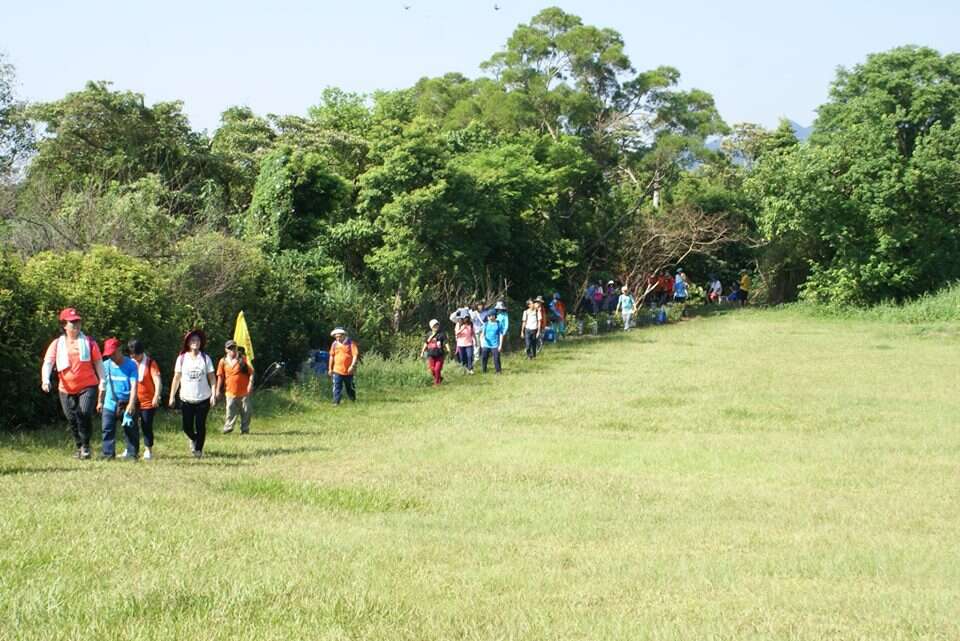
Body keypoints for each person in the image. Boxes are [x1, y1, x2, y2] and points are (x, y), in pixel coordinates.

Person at [41, 308, 106, 459]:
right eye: (72, 322)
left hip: (87, 385)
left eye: (78, 321)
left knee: (83, 413)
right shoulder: (57, 344)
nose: (76, 325)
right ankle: (79, 446)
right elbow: (48, 363)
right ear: (64, 325)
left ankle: (86, 446)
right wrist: (45, 379)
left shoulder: (89, 342)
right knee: (71, 418)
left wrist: (103, 380)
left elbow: (98, 363)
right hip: (65, 388)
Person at [168, 329, 217, 459]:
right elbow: (176, 378)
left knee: (200, 425)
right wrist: (172, 396)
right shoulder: (182, 359)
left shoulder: (205, 358)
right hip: (186, 398)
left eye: (198, 340)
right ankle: (194, 439)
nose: (196, 343)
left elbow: (212, 378)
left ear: (201, 343)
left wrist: (213, 394)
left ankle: (198, 450)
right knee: (186, 427)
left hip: (203, 398)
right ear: (188, 343)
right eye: (193, 340)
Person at [98, 337, 139, 460]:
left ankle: (132, 454)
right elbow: (102, 384)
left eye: (113, 353)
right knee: (107, 429)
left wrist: (131, 404)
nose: (111, 357)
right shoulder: (105, 365)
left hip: (126, 403)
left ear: (120, 350)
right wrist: (100, 401)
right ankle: (108, 454)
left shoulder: (131, 365)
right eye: (109, 354)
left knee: (130, 430)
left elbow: (134, 386)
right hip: (109, 403)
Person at [129, 338, 161, 460]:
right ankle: (131, 448)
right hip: (132, 401)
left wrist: (156, 395)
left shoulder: (150, 363)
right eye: (132, 354)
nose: (134, 357)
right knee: (130, 425)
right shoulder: (130, 363)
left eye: (136, 354)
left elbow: (157, 380)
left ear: (142, 352)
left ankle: (148, 449)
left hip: (148, 402)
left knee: (146, 425)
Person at [217, 339, 254, 434]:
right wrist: (217, 390)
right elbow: (220, 376)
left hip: (244, 392)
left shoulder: (243, 359)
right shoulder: (223, 361)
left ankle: (245, 429)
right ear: (226, 350)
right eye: (230, 348)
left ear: (237, 348)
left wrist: (250, 384)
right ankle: (228, 428)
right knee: (230, 412)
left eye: (234, 348)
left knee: (246, 412)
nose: (232, 350)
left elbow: (251, 373)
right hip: (230, 392)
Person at [328, 328, 359, 404]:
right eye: (336, 337)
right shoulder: (334, 344)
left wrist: (352, 366)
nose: (338, 338)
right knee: (337, 387)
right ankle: (336, 402)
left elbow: (355, 355)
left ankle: (353, 401)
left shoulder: (351, 343)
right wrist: (330, 368)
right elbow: (331, 356)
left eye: (339, 336)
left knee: (350, 387)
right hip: (337, 370)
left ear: (344, 335)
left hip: (349, 371)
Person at [419, 319, 450, 385]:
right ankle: (439, 378)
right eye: (434, 326)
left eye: (437, 325)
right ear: (431, 327)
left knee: (437, 369)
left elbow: (446, 342)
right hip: (431, 355)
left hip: (439, 355)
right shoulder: (428, 334)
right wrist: (422, 352)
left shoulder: (442, 334)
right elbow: (426, 343)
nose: (436, 327)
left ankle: (437, 383)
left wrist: (448, 349)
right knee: (432, 370)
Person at [480, 309, 505, 374]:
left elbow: (501, 335)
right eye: (489, 316)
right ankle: (484, 370)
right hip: (486, 344)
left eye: (491, 315)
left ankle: (498, 371)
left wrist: (500, 345)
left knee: (496, 358)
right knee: (484, 358)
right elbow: (482, 334)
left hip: (495, 345)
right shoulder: (486, 324)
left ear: (495, 316)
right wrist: (482, 343)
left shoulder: (498, 324)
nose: (490, 317)